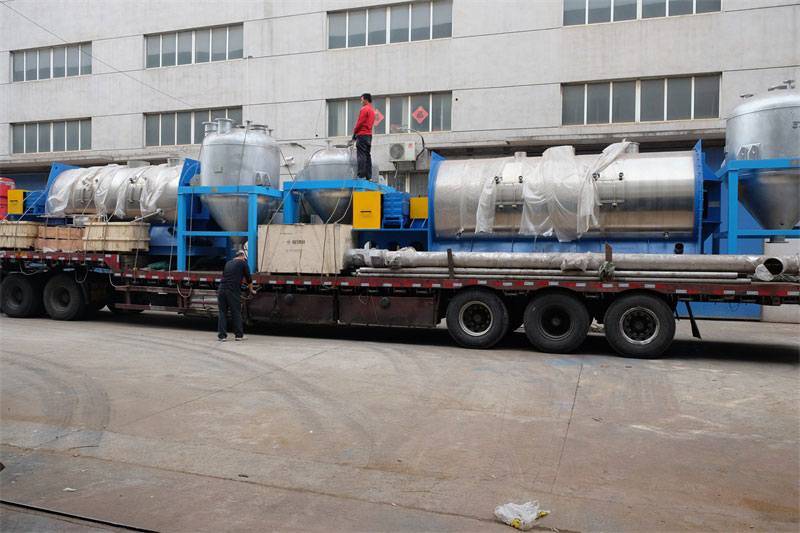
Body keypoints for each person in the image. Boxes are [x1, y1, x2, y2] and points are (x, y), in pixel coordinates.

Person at [217, 250, 253, 341]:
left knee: (222, 312)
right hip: (232, 290)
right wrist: (251, 290)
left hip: (221, 289)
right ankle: (239, 335)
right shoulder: (243, 263)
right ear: (243, 257)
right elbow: (249, 279)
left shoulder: (228, 263)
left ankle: (222, 336)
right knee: (236, 312)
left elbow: (227, 276)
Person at [352, 93, 376, 181]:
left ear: (366, 100)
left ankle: (361, 175)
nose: (361, 102)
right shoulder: (372, 111)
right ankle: (369, 176)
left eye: (362, 100)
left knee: (361, 155)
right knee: (367, 155)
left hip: (362, 135)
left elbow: (360, 122)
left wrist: (355, 132)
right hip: (369, 136)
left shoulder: (364, 109)